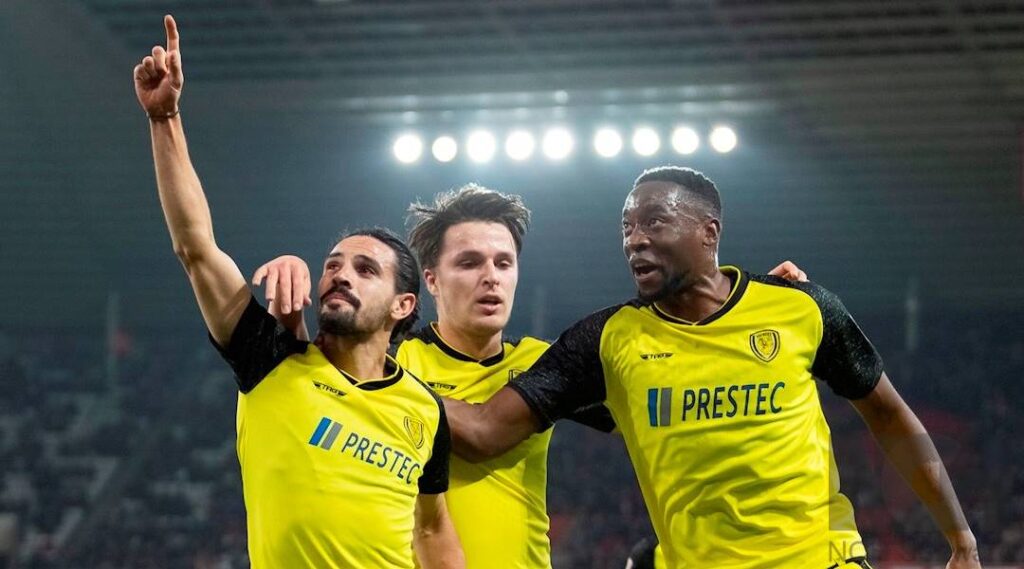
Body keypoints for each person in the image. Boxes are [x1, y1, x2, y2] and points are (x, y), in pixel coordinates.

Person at [442, 166, 982, 568]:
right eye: (627, 226)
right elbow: (485, 431)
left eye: (654, 221)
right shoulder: (604, 340)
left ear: (709, 232)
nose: (635, 239)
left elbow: (888, 416)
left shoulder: (800, 307)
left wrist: (961, 540)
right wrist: (391, 383)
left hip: (822, 560)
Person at [256, 185, 806, 568]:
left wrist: (740, 315)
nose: (491, 278)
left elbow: (681, 392)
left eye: (504, 262)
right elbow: (305, 375)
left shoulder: (548, 365)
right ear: (430, 281)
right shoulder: (390, 364)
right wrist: (289, 293)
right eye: (469, 263)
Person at [132, 15, 464, 569]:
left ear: (403, 305)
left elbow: (431, 527)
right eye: (333, 264)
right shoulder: (269, 358)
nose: (340, 274)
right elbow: (196, 248)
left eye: (365, 269)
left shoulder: (424, 410)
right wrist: (165, 118)